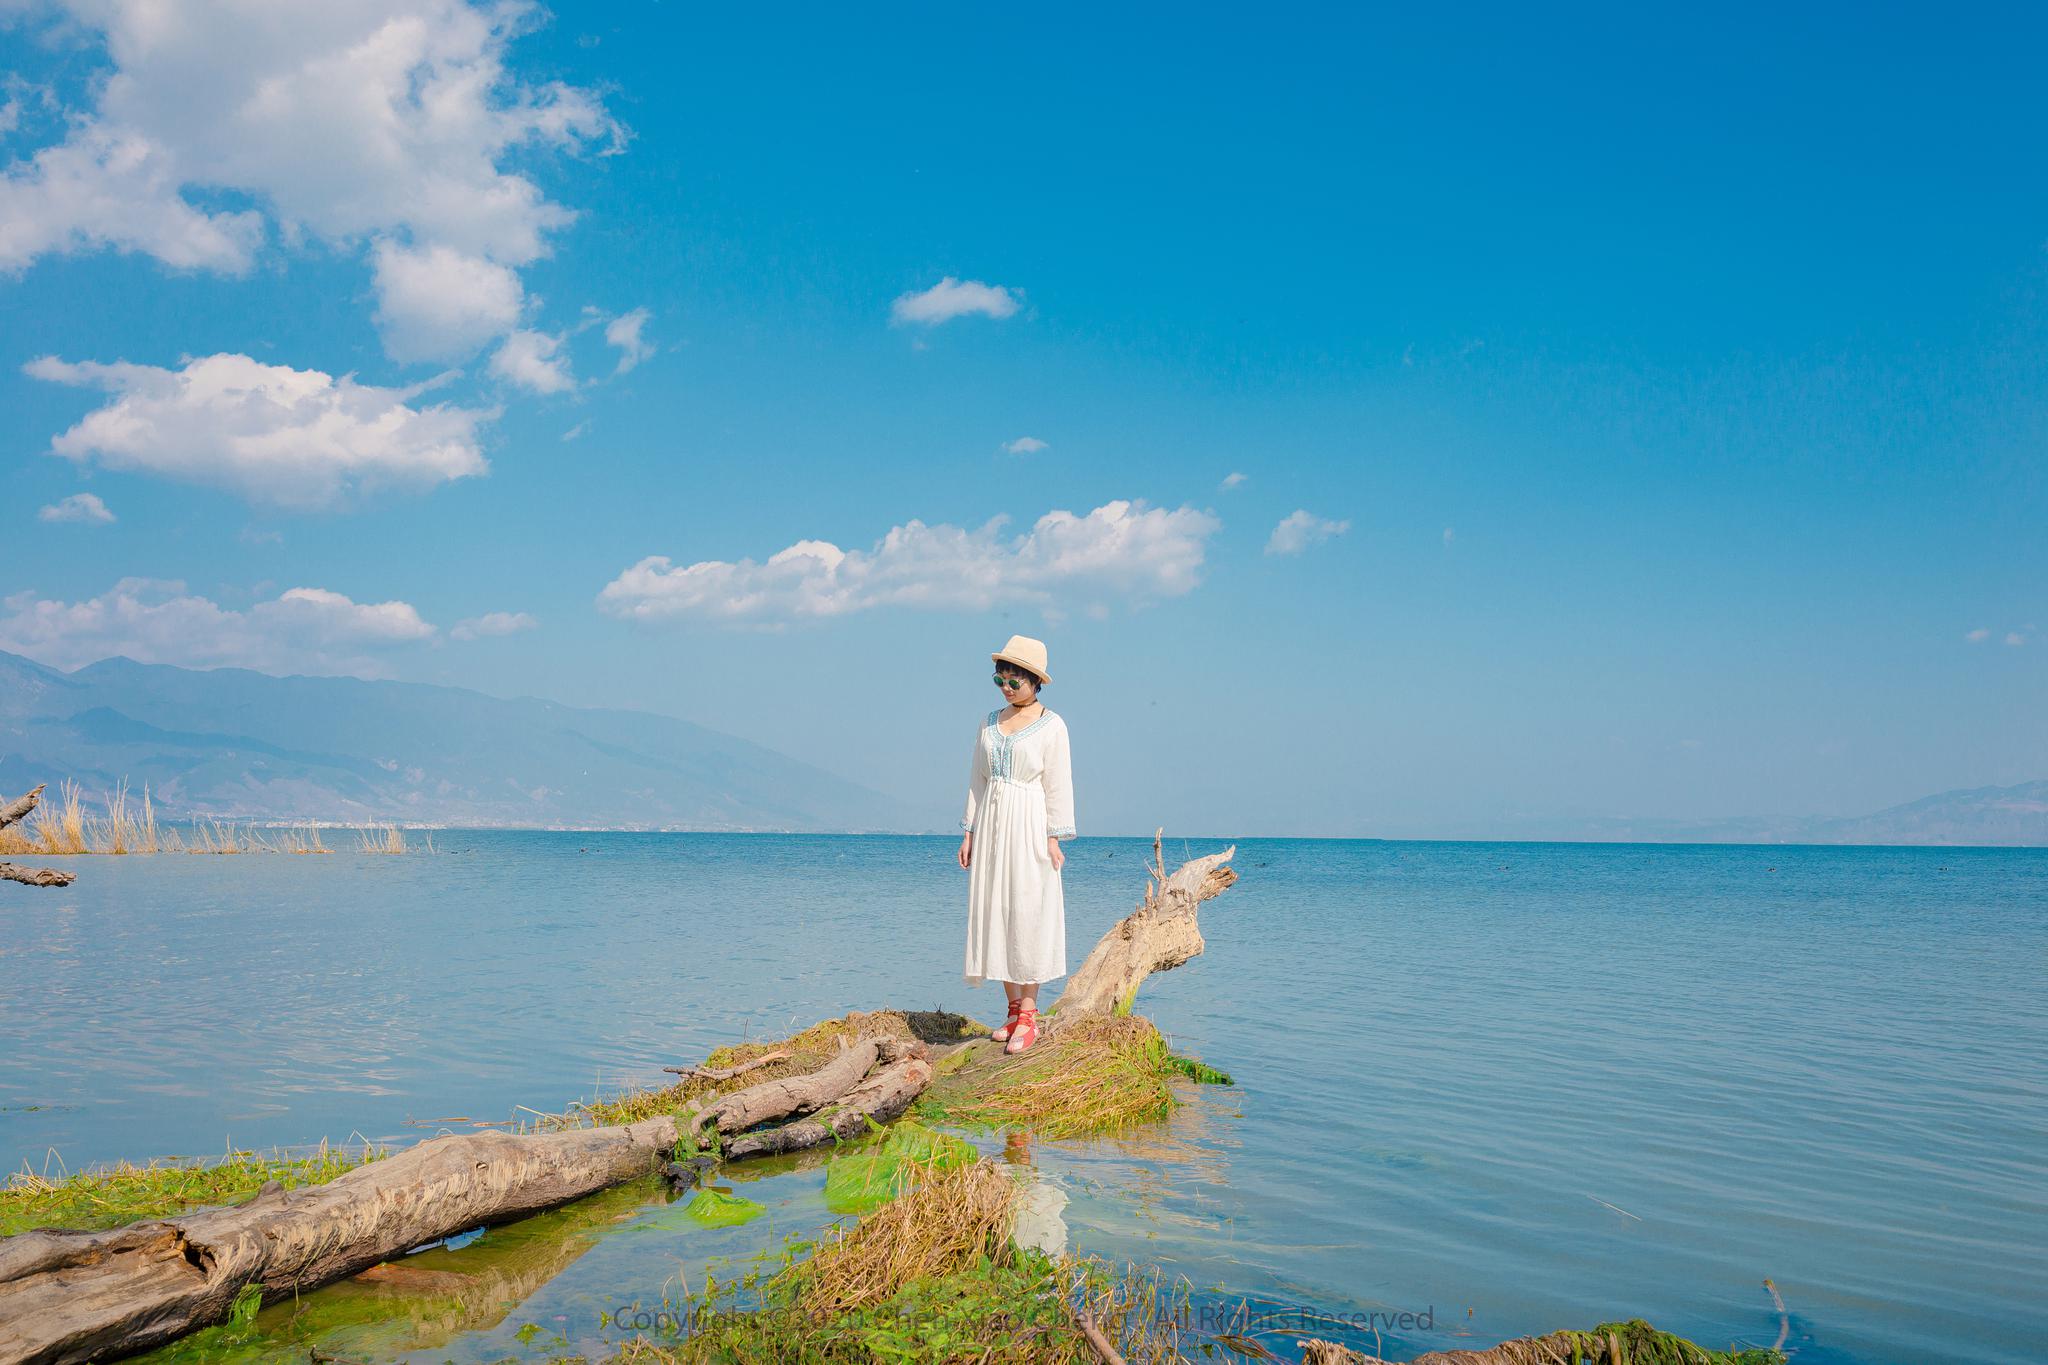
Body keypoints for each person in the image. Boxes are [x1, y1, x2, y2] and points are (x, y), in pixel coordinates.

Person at [957, 633, 1075, 1053]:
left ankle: (1029, 1014)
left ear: (1035, 682)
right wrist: (969, 831)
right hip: (992, 825)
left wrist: (1054, 836)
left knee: (1028, 912)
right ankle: (1011, 1011)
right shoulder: (989, 722)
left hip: (1029, 824)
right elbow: (977, 779)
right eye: (1000, 680)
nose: (1006, 688)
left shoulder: (1052, 725)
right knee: (998, 911)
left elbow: (1057, 784)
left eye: (1014, 681)